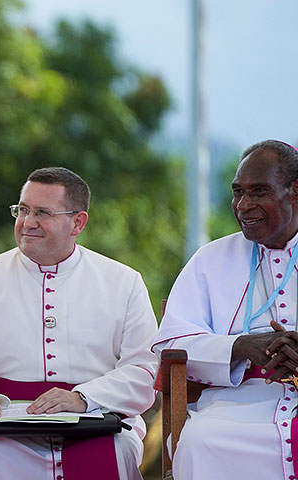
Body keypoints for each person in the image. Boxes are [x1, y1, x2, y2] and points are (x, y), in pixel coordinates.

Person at [0, 167, 158, 480]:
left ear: (77, 222)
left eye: (42, 213)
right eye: (23, 210)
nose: (28, 222)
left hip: (96, 423)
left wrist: (83, 398)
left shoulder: (123, 282)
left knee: (117, 450)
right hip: (5, 427)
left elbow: (144, 369)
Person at [153, 139, 298, 480]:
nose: (243, 205)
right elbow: (170, 344)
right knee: (201, 441)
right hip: (237, 405)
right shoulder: (210, 260)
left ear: (294, 191)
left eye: (259, 191)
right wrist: (240, 346)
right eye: (237, 192)